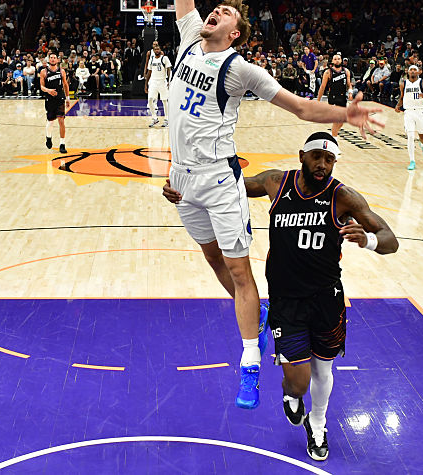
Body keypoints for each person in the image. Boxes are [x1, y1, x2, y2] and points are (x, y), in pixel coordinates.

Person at [167, 0, 383, 410]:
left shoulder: (239, 68)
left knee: (241, 272)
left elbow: (303, 109)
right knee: (213, 261)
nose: (213, 11)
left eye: (223, 13)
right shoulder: (185, 39)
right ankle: (257, 317)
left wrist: (344, 112)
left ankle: (248, 363)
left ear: (236, 33)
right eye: (214, 8)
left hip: (221, 180)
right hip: (182, 179)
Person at [164, 132, 397, 461]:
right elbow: (227, 187)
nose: (322, 164)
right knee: (298, 382)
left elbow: (390, 238)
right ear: (302, 155)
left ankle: (318, 425)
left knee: (323, 371)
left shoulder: (343, 197)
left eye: (329, 160)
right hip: (286, 301)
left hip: (327, 299)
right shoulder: (277, 182)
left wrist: (368, 241)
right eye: (317, 156)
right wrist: (183, 190)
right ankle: (293, 397)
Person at [394, 64, 423, 170]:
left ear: (419, 72)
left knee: (422, 135)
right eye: (411, 70)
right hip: (409, 112)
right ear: (408, 72)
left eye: (415, 70)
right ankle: (412, 161)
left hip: (420, 112)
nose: (413, 71)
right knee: (410, 136)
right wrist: (398, 106)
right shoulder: (403, 84)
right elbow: (402, 97)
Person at [316, 53, 353, 138]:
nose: (337, 60)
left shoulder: (346, 71)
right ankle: (334, 139)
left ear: (341, 60)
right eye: (335, 59)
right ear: (332, 61)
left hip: (343, 97)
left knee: (342, 121)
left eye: (339, 59)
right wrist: (318, 100)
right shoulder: (328, 72)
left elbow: (349, 84)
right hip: (333, 97)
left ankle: (333, 134)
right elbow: (322, 87)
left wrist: (350, 92)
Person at [40, 52, 70, 153]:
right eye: (51, 57)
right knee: (51, 121)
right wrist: (48, 90)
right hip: (49, 99)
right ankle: (48, 137)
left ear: (57, 60)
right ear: (49, 60)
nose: (53, 59)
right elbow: (42, 87)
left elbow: (65, 85)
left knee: (61, 120)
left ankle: (62, 144)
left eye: (54, 58)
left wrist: (68, 98)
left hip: (60, 98)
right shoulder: (44, 72)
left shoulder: (62, 71)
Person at [145, 41, 172, 127]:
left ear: (160, 50)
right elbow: (149, 72)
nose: (157, 50)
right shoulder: (151, 59)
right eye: (155, 49)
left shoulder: (165, 58)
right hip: (153, 82)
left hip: (162, 81)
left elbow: (169, 70)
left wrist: (169, 80)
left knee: (164, 101)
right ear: (153, 51)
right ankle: (154, 118)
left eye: (158, 49)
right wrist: (146, 84)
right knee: (150, 99)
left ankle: (167, 119)